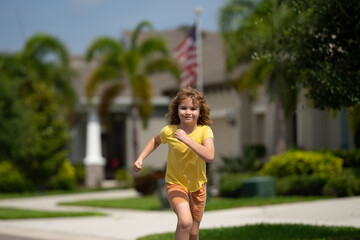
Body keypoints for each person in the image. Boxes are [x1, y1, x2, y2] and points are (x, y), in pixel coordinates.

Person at [134, 87, 215, 240]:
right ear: (177, 110)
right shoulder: (169, 131)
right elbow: (155, 140)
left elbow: (209, 155)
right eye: (183, 108)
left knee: (193, 232)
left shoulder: (205, 131)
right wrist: (140, 158)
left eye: (193, 108)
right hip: (175, 184)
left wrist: (186, 139)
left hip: (198, 187)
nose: (188, 112)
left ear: (200, 112)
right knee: (185, 222)